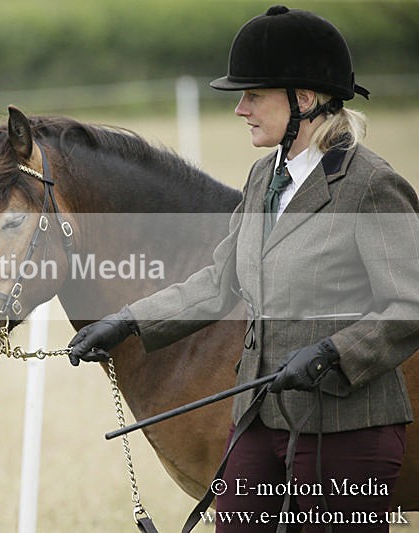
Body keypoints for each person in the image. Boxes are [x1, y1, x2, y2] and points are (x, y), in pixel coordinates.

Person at [68, 5, 419, 532]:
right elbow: (218, 282)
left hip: (348, 426)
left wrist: (332, 354)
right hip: (260, 415)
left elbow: (410, 304)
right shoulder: (263, 179)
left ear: (303, 99)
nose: (241, 109)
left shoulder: (369, 185)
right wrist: (128, 322)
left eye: (253, 95)